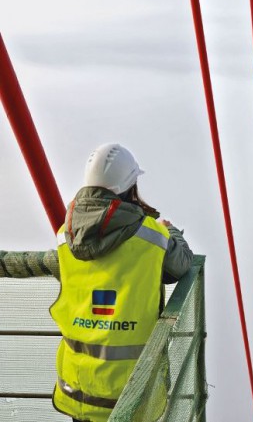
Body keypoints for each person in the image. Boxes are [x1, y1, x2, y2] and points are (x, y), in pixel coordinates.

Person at [49, 143, 193, 422]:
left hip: (77, 388)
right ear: (129, 186)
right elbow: (182, 264)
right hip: (130, 394)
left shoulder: (65, 237)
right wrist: (170, 230)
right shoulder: (151, 236)